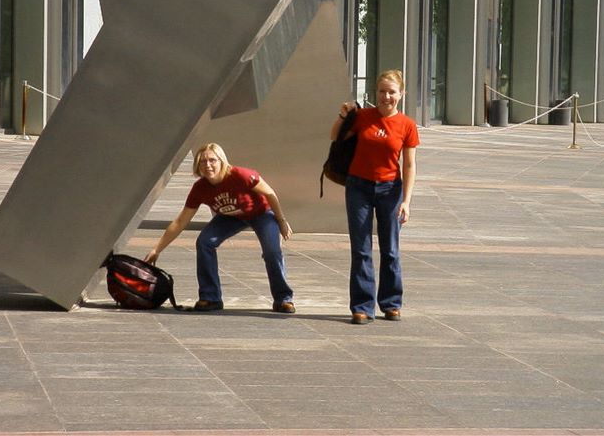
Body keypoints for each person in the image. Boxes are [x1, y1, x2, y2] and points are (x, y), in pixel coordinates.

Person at [145, 143, 295, 313]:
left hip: (260, 213)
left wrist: (281, 221)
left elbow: (270, 193)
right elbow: (180, 221)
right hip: (229, 217)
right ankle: (210, 298)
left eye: (212, 160)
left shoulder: (241, 175)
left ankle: (283, 299)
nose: (208, 165)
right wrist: (157, 249)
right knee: (204, 242)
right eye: (203, 162)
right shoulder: (200, 188)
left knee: (272, 251)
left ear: (222, 161)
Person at [331, 69, 419, 324]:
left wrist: (406, 201)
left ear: (401, 94)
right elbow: (335, 136)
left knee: (390, 249)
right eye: (382, 91)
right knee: (361, 249)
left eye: (392, 92)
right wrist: (343, 115)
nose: (386, 97)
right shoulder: (363, 117)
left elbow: (410, 165)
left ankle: (391, 303)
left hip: (390, 189)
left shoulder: (407, 125)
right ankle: (362, 306)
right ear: (376, 93)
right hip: (358, 187)